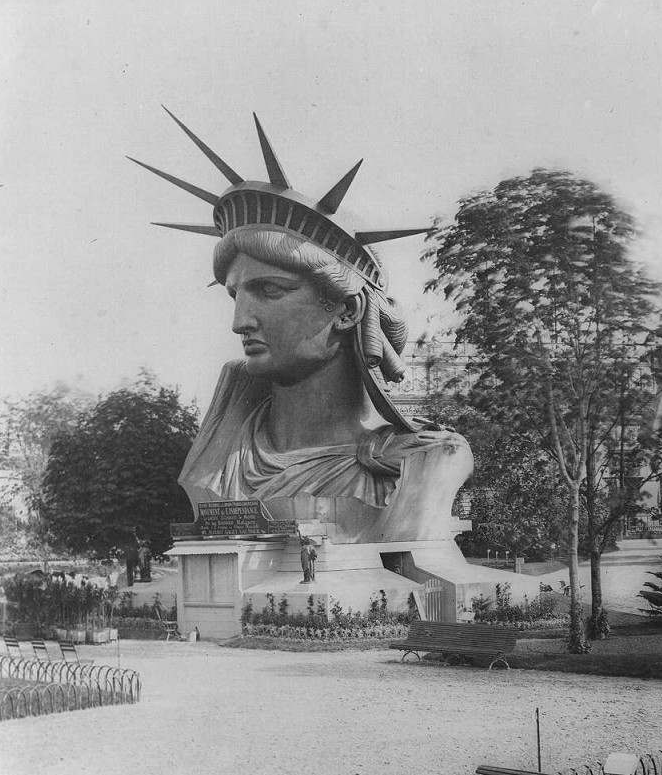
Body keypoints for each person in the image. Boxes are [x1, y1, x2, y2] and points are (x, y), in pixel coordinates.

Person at [133, 111, 473, 543]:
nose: (240, 322)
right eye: (235, 295)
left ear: (346, 311)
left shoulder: (420, 460)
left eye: (270, 291)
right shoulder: (220, 454)